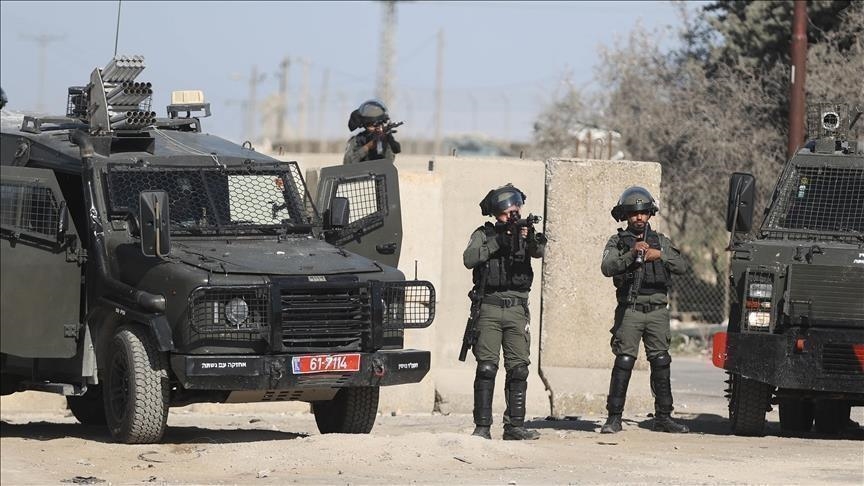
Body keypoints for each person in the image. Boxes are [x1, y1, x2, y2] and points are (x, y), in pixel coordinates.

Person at [600, 186, 689, 434]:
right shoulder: (618, 242)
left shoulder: (661, 241)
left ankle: (664, 417)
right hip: (631, 308)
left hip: (657, 310)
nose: (639, 217)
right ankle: (614, 418)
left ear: (650, 214)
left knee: (661, 361)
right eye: (633, 213)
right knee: (624, 360)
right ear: (626, 216)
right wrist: (631, 254)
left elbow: (681, 266)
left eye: (643, 213)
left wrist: (659, 255)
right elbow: (607, 267)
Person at [463, 184, 547, 440]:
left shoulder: (525, 231)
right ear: (496, 212)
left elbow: (539, 251)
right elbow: (469, 259)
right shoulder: (484, 234)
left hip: (517, 309)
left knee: (519, 368)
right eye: (507, 210)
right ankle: (482, 427)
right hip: (489, 307)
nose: (513, 212)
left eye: (516, 207)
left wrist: (528, 236)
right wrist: (498, 242)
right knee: (487, 367)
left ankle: (514, 426)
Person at [343, 99, 401, 164]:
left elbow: (390, 159)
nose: (376, 128)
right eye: (371, 126)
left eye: (379, 124)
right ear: (364, 126)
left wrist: (387, 140)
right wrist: (367, 147)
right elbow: (347, 163)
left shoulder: (386, 137)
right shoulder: (357, 140)